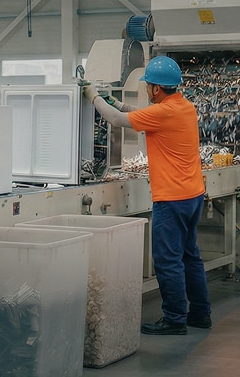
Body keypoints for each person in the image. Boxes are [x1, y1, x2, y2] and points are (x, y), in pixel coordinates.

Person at [82, 55, 211, 336]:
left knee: (167, 260)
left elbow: (117, 121)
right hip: (193, 195)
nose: (147, 90)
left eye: (148, 86)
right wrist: (117, 102)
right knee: (190, 256)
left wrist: (93, 98)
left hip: (172, 198)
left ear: (155, 89)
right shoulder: (184, 107)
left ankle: (175, 319)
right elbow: (134, 114)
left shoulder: (163, 113)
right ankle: (200, 314)